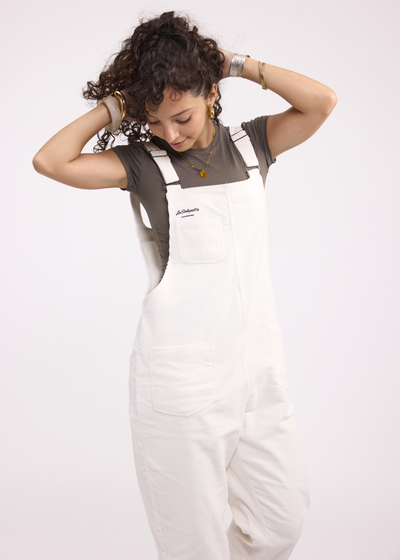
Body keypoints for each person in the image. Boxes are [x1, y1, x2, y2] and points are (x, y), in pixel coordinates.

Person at [33, 10, 336, 560]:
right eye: (154, 121)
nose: (170, 134)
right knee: (193, 546)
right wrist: (116, 106)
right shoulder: (143, 165)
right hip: (180, 382)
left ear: (211, 94)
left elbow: (322, 102)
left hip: (257, 372)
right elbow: (50, 161)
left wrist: (236, 64)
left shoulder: (252, 146)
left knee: (280, 523)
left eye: (182, 117)